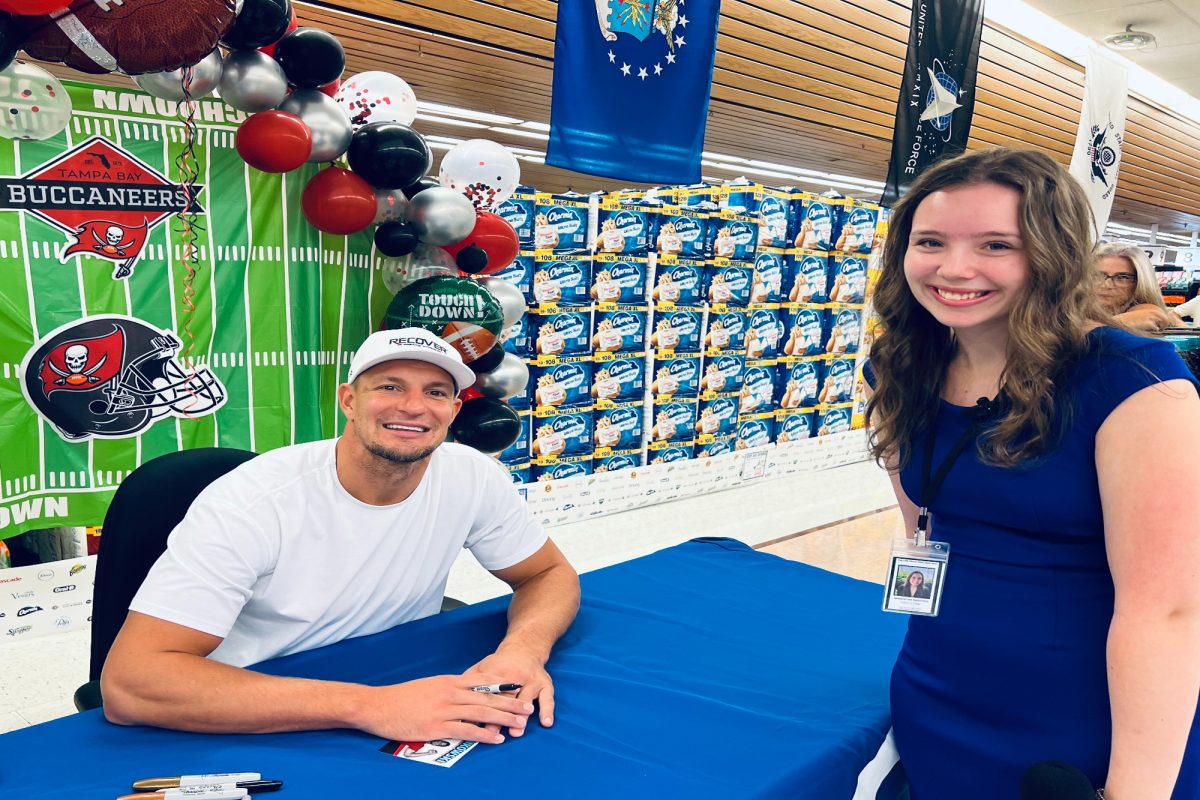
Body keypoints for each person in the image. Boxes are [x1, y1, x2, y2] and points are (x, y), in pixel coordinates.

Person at [864, 147, 1200, 799]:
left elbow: (1169, 611)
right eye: (930, 241)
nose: (954, 268)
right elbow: (926, 533)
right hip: (938, 686)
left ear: (1054, 254)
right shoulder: (901, 364)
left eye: (996, 245)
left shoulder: (1133, 382)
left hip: (1086, 714)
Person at [101, 328, 580, 746]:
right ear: (348, 400)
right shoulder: (254, 500)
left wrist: (521, 652)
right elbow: (130, 685)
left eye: (435, 393)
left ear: (454, 410)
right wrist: (370, 706)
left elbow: (547, 573)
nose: (413, 407)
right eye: (390, 387)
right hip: (253, 699)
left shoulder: (471, 475)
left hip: (394, 670)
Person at [1094, 242, 1184, 332]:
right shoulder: (1085, 308)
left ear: (1141, 282)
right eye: (1098, 275)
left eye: (1123, 277)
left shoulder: (1143, 310)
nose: (1107, 284)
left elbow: (1153, 315)